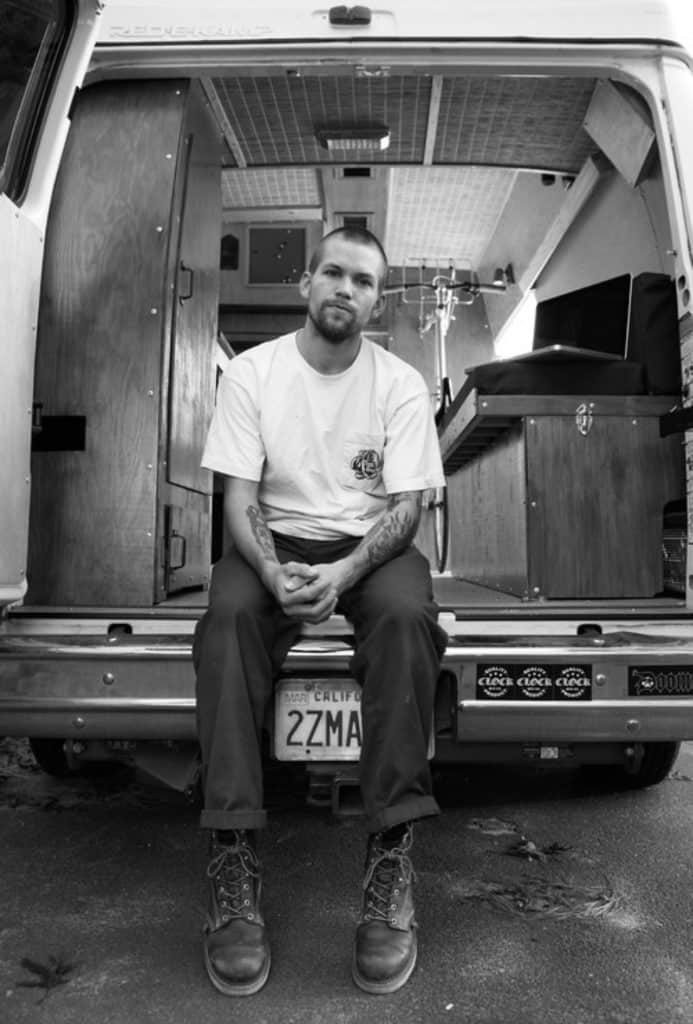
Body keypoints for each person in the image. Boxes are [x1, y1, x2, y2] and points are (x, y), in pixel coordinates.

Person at [193, 225, 448, 997]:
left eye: (363, 281)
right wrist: (273, 578)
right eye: (333, 273)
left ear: (376, 299)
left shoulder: (399, 383)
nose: (346, 289)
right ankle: (233, 860)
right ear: (306, 283)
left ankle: (389, 861)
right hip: (272, 537)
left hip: (368, 545)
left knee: (407, 620)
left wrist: (341, 571)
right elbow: (237, 499)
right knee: (227, 622)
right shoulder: (252, 373)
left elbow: (406, 510)